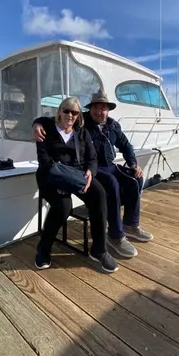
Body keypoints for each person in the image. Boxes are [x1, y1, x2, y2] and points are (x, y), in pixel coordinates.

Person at [33, 90, 153, 259]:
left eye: (103, 108)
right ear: (90, 110)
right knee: (111, 184)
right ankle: (115, 235)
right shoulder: (82, 122)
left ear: (108, 110)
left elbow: (125, 146)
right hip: (86, 171)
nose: (99, 111)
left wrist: (133, 164)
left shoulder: (112, 125)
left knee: (135, 179)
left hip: (105, 166)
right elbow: (54, 118)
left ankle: (130, 225)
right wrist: (36, 123)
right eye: (96, 108)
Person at [33, 96, 119, 274]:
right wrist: (62, 181)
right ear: (59, 111)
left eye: (74, 112)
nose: (70, 115)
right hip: (50, 177)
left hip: (78, 176)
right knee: (63, 206)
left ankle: (99, 249)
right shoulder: (46, 130)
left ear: (79, 115)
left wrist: (90, 172)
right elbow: (44, 161)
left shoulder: (81, 132)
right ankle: (43, 248)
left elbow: (92, 158)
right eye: (66, 110)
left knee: (99, 193)